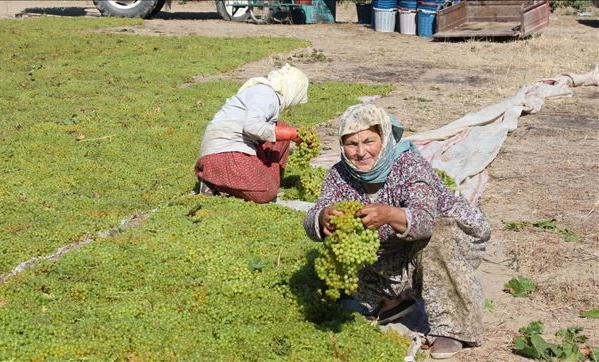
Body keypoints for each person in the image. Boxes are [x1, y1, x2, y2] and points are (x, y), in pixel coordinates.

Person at [303, 103, 491, 359]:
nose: (360, 152)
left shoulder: (410, 166)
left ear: (384, 137)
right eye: (351, 144)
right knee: (340, 241)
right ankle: (391, 299)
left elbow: (424, 223)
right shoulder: (339, 175)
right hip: (396, 247)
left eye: (369, 141)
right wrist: (322, 218)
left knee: (438, 234)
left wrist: (389, 214)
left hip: (452, 238)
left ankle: (454, 328)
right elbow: (313, 218)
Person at [195, 63, 309, 204]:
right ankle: (214, 183)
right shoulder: (266, 93)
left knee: (282, 128)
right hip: (226, 154)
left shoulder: (265, 94)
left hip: (220, 154)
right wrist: (292, 134)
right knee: (265, 194)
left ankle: (255, 182)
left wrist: (287, 133)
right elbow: (252, 127)